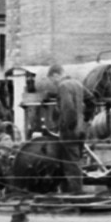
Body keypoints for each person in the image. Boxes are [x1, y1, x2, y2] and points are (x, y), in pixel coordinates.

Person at [44, 64, 86, 193]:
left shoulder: (63, 86)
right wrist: (85, 119)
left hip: (70, 132)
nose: (54, 83)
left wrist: (67, 125)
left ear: (56, 75)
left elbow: (68, 107)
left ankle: (76, 196)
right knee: (75, 161)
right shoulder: (78, 84)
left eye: (53, 80)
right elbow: (91, 99)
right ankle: (70, 192)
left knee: (70, 165)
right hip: (81, 130)